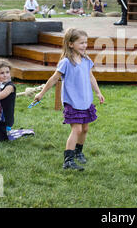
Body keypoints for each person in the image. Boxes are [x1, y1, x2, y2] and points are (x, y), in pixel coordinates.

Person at [34, 28, 105, 170]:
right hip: (72, 101)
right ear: (71, 44)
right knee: (77, 129)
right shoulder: (66, 62)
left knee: (85, 129)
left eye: (86, 43)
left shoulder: (86, 60)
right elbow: (54, 78)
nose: (85, 46)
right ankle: (68, 161)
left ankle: (79, 153)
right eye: (81, 43)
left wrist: (98, 92)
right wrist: (41, 93)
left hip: (85, 100)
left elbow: (91, 77)